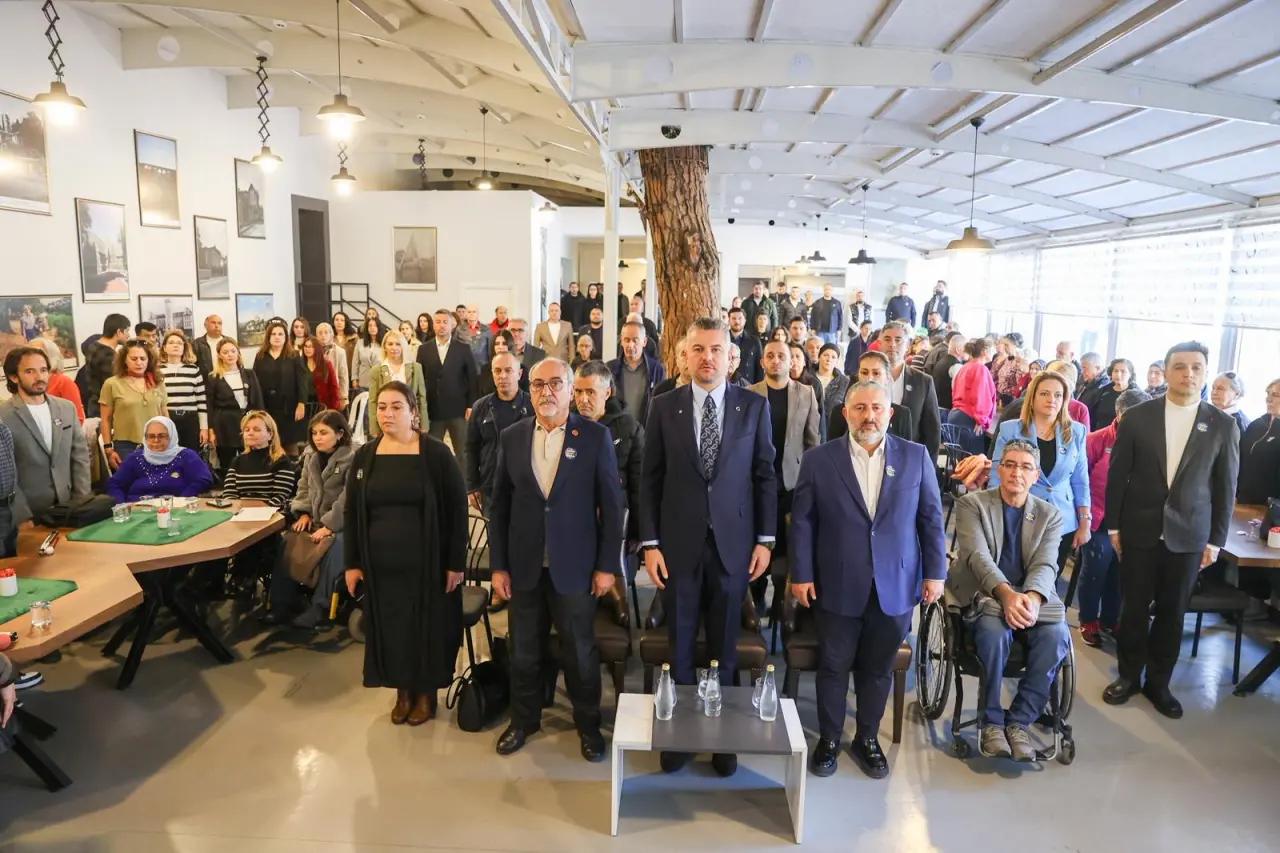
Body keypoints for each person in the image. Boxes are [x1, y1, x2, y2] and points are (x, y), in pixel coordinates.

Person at [640, 318, 777, 779]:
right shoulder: (664, 406)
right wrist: (650, 544)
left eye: (716, 349)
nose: (707, 357)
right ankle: (680, 737)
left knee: (725, 646)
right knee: (680, 644)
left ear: (730, 356)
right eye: (698, 349)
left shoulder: (753, 407)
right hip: (678, 545)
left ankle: (722, 739)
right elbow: (649, 479)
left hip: (733, 545)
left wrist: (765, 540)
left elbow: (765, 476)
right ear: (684, 356)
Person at [790, 380, 946, 779]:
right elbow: (803, 522)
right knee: (834, 666)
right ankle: (828, 739)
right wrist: (801, 574)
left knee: (877, 669)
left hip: (896, 584)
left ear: (890, 413)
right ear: (846, 414)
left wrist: (935, 572)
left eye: (877, 408)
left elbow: (931, 518)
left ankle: (867, 738)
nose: (869, 416)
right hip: (837, 583)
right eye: (860, 408)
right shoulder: (819, 460)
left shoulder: (915, 457)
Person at [488, 358, 623, 760]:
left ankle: (588, 726)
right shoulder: (512, 437)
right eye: (537, 385)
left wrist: (606, 567)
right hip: (524, 567)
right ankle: (523, 720)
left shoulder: (595, 437)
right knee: (523, 651)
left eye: (555, 384)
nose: (546, 392)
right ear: (528, 391)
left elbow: (611, 508)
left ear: (569, 390)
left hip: (576, 568)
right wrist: (498, 566)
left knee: (579, 652)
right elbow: (500, 506)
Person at [1103, 342, 1240, 719]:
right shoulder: (1138, 417)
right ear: (1166, 372)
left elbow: (1225, 488)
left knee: (1172, 612)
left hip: (1189, 535)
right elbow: (1118, 475)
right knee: (1133, 608)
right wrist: (1113, 526)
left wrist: (1216, 541)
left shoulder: (1222, 425)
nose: (1188, 374)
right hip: (1139, 529)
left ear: (1205, 373)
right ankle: (1129, 676)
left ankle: (1158, 683)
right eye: (1180, 366)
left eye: (1196, 367)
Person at [344, 381, 467, 726]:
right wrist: (352, 563)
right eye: (382, 407)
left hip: (428, 563)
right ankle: (403, 692)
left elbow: (458, 509)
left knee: (424, 628)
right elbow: (352, 512)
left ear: (414, 412)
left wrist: (455, 562)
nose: (388, 414)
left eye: (396, 407)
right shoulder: (365, 456)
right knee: (391, 630)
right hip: (380, 566)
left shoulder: (436, 454)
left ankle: (425, 694)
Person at [947, 439, 1071, 763]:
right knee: (993, 633)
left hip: (1029, 597)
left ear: (1036, 476)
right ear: (999, 469)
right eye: (1010, 465)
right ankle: (990, 722)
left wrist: (1031, 598)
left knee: (1057, 636)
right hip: (985, 593)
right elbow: (977, 557)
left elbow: (1046, 564)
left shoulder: (1050, 515)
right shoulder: (973, 504)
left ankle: (1019, 722)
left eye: (1026, 467)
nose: (1017, 473)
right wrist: (1006, 594)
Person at [990, 371, 1090, 574]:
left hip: (1061, 520)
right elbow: (996, 474)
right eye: (1044, 393)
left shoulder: (1076, 432)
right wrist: (993, 515)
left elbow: (1080, 480)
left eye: (1058, 395)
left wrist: (1085, 521)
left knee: (1048, 580)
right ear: (1033, 397)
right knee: (1013, 577)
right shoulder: (1011, 429)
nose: (1052, 400)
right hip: (1018, 515)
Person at [264, 411, 355, 630]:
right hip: (314, 519)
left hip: (345, 523)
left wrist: (329, 526)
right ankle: (281, 603)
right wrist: (303, 513)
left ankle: (320, 608)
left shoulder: (353, 458)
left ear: (340, 434)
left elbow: (348, 498)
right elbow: (303, 489)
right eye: (314, 433)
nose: (317, 438)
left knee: (337, 545)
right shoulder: (311, 458)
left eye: (324, 433)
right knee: (288, 540)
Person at [748, 340, 820, 611]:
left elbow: (813, 442)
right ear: (762, 362)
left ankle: (782, 599)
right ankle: (755, 595)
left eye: (781, 356)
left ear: (792, 362)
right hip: (757, 481)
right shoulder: (749, 393)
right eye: (770, 356)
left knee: (786, 543)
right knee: (756, 539)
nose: (776, 360)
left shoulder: (806, 393)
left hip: (792, 482)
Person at [1079, 389, 1151, 647]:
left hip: (1130, 521)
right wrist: (1084, 517)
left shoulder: (1150, 443)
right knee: (1097, 568)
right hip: (1098, 518)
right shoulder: (1096, 440)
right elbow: (1080, 481)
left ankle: (1111, 619)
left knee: (1120, 573)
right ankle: (1088, 620)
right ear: (1119, 414)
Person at [2, 346, 91, 524]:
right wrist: (22, 515)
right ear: (14, 377)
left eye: (43, 370)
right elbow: (5, 473)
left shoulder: (66, 408)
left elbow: (80, 456)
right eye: (30, 371)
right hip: (28, 513)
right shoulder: (3, 416)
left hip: (70, 507)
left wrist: (81, 500)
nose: (40, 377)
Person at [574, 360, 644, 546]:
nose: (583, 399)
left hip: (615, 527)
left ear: (606, 393)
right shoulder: (566, 425)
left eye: (590, 392)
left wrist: (639, 532)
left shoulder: (629, 428)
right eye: (578, 392)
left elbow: (638, 484)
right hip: (573, 526)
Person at [465, 351, 532, 513]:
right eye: (497, 371)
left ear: (519, 374)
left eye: (508, 370)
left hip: (526, 488)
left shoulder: (532, 405)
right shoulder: (481, 407)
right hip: (491, 487)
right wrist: (472, 487)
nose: (502, 376)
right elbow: (471, 449)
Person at [105, 415, 212, 503]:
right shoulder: (135, 458)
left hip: (175, 511)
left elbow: (203, 480)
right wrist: (122, 505)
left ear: (171, 436)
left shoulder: (186, 456)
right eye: (151, 436)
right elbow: (114, 484)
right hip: (137, 512)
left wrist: (181, 501)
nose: (156, 440)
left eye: (162, 436)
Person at [418, 309, 478, 465]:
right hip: (433, 409)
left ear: (453, 324)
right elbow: (419, 380)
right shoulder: (424, 349)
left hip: (458, 409)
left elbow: (472, 378)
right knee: (431, 452)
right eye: (438, 322)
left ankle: (464, 480)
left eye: (445, 322)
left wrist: (471, 405)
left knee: (463, 452)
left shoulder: (463, 349)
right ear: (433, 325)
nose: (441, 325)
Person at [99, 339, 168, 470]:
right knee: (134, 482)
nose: (139, 362)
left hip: (157, 444)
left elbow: (165, 415)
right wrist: (108, 449)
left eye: (143, 358)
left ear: (149, 360)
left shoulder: (157, 382)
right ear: (124, 360)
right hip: (126, 446)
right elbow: (105, 420)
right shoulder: (112, 384)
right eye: (134, 359)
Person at [877, 321, 941, 461]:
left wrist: (927, 467)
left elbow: (932, 431)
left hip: (909, 459)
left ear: (907, 345)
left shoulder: (923, 382)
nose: (892, 344)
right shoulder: (865, 379)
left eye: (898, 340)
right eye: (887, 339)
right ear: (879, 344)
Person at [829, 351, 915, 444]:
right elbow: (832, 449)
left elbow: (905, 450)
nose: (869, 378)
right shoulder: (840, 412)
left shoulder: (902, 415)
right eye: (864, 372)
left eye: (876, 373)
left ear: (887, 378)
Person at [207, 339, 265, 470]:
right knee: (227, 463)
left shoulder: (249, 374)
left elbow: (258, 400)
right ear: (219, 355)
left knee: (252, 461)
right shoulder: (213, 377)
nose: (230, 355)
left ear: (238, 353)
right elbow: (210, 406)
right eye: (225, 352)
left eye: (233, 351)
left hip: (247, 422)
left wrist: (262, 422)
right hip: (224, 425)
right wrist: (211, 430)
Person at [254, 320, 310, 453]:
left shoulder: (294, 356)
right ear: (268, 337)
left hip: (289, 407)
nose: (277, 337)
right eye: (273, 334)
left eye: (280, 334)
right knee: (269, 443)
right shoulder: (260, 356)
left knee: (290, 444)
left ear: (286, 337)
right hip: (267, 406)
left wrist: (301, 403)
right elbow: (255, 383)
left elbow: (302, 382)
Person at [222, 411, 297, 509]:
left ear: (270, 434)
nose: (250, 433)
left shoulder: (282, 461)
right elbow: (229, 494)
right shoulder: (237, 461)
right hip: (240, 513)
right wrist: (236, 510)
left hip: (270, 513)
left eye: (256, 429)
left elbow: (281, 497)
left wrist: (260, 512)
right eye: (247, 430)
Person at [366, 330, 427, 438]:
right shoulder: (376, 370)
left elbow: (422, 397)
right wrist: (374, 428)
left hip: (409, 422)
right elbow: (372, 401)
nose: (394, 348)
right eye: (390, 344)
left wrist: (424, 425)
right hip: (386, 422)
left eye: (398, 344)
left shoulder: (416, 368)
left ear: (403, 346)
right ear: (384, 347)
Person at [157, 331, 208, 451]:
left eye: (179, 343)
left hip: (190, 419)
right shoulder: (157, 370)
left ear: (184, 348)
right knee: (167, 454)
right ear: (164, 348)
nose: (176, 345)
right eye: (171, 342)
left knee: (190, 455)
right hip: (166, 417)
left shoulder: (193, 369)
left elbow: (201, 401)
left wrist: (204, 428)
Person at [608, 320, 666, 426]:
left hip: (647, 430)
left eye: (635, 340)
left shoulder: (656, 370)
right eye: (626, 340)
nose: (630, 345)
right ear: (621, 341)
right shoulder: (610, 369)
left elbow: (662, 404)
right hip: (617, 430)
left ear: (644, 342)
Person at [947, 338, 998, 456]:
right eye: (992, 350)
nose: (994, 353)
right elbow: (981, 396)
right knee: (972, 461)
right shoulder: (981, 369)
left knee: (960, 459)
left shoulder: (965, 367)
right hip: (969, 420)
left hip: (956, 415)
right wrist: (981, 420)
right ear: (985, 352)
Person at [1237, 378, 1280, 505]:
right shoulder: (1256, 424)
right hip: (1244, 499)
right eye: (1268, 393)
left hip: (1272, 506)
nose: (1268, 399)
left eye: (1275, 395)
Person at [79, 313, 130, 418]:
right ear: (119, 332)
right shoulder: (108, 356)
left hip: (94, 405)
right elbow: (115, 387)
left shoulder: (93, 346)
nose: (128, 335)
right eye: (127, 331)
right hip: (105, 409)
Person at [32, 338, 84, 423]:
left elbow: (77, 419)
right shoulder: (27, 383)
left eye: (36, 352)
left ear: (50, 355)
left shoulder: (63, 382)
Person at [1090, 358, 1137, 430]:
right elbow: (1092, 416)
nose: (1118, 374)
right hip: (1102, 433)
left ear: (1130, 374)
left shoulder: (1136, 395)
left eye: (1123, 371)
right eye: (1115, 371)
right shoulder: (1102, 392)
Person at [300, 336, 342, 413]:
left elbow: (334, 386)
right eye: (306, 346)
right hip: (304, 405)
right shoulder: (299, 364)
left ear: (316, 348)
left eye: (311, 346)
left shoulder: (326, 364)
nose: (307, 349)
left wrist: (334, 407)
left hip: (322, 404)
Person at [813, 343, 850, 426]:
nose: (829, 359)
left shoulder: (844, 382)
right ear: (819, 357)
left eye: (833, 357)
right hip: (812, 424)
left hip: (833, 426)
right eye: (825, 355)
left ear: (837, 360)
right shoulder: (808, 377)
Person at [315, 323, 350, 410]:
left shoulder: (340, 352)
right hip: (317, 393)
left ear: (331, 334)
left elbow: (343, 376)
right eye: (320, 333)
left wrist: (343, 397)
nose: (323, 335)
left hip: (333, 392)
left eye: (326, 332)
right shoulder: (312, 350)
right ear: (316, 336)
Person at [930, 331, 967, 409]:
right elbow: (958, 392)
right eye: (966, 349)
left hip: (937, 405)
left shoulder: (941, 361)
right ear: (958, 350)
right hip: (947, 409)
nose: (968, 352)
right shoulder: (956, 366)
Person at [727, 306, 762, 385]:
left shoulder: (754, 341)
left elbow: (759, 368)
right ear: (729, 320)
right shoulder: (723, 339)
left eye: (740, 318)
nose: (737, 321)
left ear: (745, 321)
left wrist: (758, 387)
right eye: (734, 318)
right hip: (727, 384)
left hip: (748, 385)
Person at [507, 319, 546, 383]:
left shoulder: (539, 355)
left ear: (527, 333)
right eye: (513, 330)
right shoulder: (501, 352)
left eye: (520, 330)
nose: (516, 334)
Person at [352, 317, 384, 394]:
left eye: (375, 325)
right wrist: (354, 379)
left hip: (379, 381)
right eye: (370, 325)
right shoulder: (360, 342)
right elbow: (355, 362)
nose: (372, 327)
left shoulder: (384, 343)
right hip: (363, 380)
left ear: (379, 328)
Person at [331, 311, 358, 379]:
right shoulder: (329, 338)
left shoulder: (354, 337)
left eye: (342, 320)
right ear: (333, 322)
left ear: (346, 322)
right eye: (336, 320)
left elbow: (357, 357)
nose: (339, 322)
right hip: (333, 373)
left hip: (349, 374)